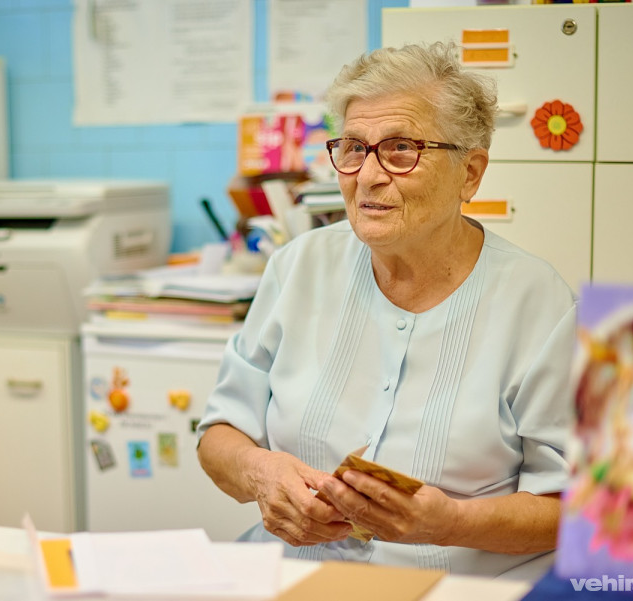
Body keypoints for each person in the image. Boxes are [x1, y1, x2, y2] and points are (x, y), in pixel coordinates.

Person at [196, 41, 577, 577]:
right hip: (300, 574)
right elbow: (218, 436)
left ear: (470, 173)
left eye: (401, 149)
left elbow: (575, 511)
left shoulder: (540, 303)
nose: (368, 175)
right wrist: (261, 473)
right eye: (353, 148)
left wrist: (452, 523)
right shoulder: (298, 267)